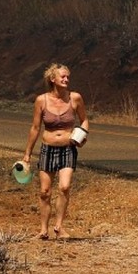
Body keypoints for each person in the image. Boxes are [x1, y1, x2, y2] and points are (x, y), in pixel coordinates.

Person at [24, 62, 90, 240]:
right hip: (48, 149)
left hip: (68, 149)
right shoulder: (41, 100)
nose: (66, 79)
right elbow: (35, 128)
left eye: (68, 76)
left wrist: (81, 136)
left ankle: (59, 227)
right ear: (53, 79)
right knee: (45, 192)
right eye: (63, 76)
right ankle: (43, 230)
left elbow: (84, 120)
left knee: (65, 187)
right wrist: (27, 155)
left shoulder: (75, 98)